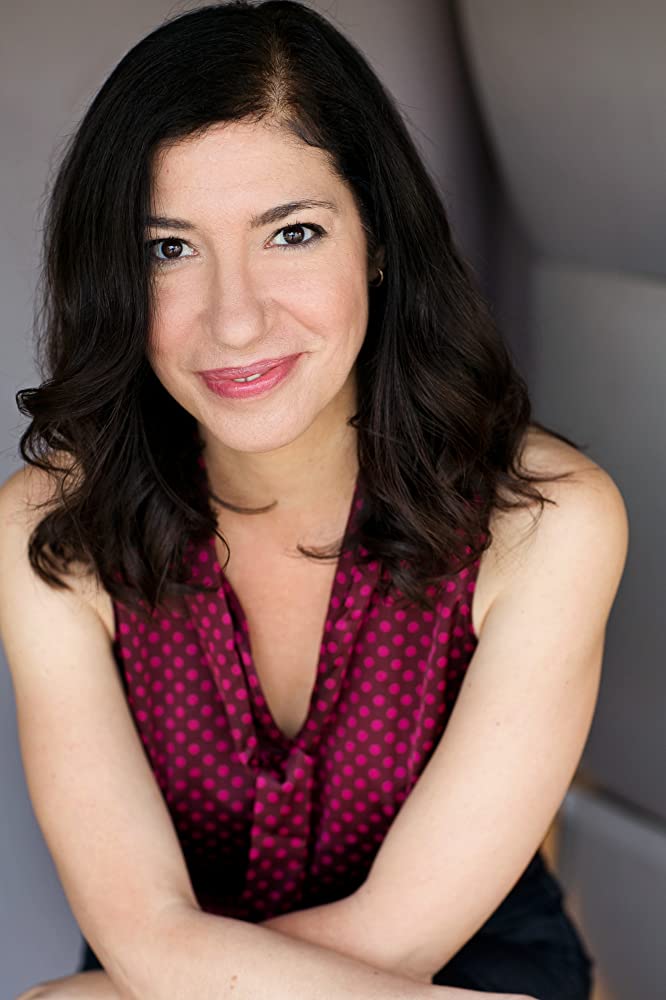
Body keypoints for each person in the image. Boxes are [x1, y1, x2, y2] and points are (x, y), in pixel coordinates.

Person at [1, 2, 628, 999]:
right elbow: (143, 935)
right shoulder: (48, 528)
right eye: (169, 249)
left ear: (377, 241)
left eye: (292, 233)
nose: (234, 319)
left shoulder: (545, 522)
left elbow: (393, 944)